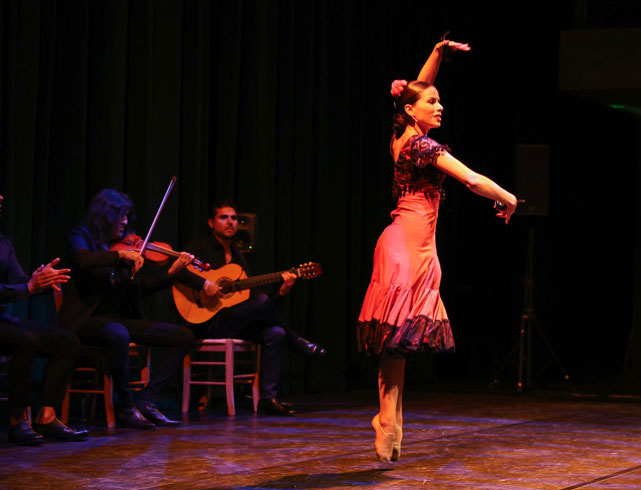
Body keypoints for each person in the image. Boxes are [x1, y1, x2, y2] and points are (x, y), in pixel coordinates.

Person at [357, 39, 518, 462]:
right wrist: (509, 197)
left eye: (440, 99)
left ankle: (390, 417)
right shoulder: (420, 146)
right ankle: (387, 418)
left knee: (402, 341)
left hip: (423, 246)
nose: (440, 105)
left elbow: (416, 88)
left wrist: (435, 54)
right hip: (403, 244)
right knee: (395, 336)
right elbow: (471, 179)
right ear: (412, 110)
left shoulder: (402, 131)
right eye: (433, 101)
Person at [58, 189, 196, 429]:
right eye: (121, 216)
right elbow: (82, 259)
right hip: (85, 320)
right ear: (106, 215)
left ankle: (147, 400)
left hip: (116, 320)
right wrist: (119, 255)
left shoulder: (114, 248)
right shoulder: (80, 237)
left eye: (126, 217)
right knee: (118, 333)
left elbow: (136, 288)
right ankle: (125, 407)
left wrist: (170, 274)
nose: (125, 222)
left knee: (183, 336)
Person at [175, 201, 325, 416]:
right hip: (206, 321)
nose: (231, 222)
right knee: (263, 304)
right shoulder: (199, 247)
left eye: (234, 218)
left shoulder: (238, 255)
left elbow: (252, 299)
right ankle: (298, 342)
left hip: (234, 321)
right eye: (224, 217)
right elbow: (177, 272)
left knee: (276, 332)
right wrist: (203, 284)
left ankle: (267, 398)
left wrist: (282, 290)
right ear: (211, 222)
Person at [0, 193, 88, 445]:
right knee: (25, 340)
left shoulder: (3, 243)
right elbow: (21, 288)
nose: (2, 197)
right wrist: (28, 287)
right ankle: (18, 420)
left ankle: (47, 415)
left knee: (68, 341)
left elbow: (19, 282)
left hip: (2, 320)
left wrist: (40, 280)